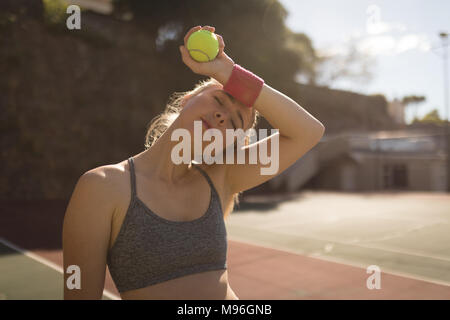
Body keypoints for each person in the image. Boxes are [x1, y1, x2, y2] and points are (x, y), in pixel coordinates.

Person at [62, 25, 325, 300]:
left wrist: (228, 73)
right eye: (219, 100)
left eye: (234, 123)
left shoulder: (222, 179)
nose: (223, 117)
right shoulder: (102, 187)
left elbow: (309, 132)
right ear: (188, 99)